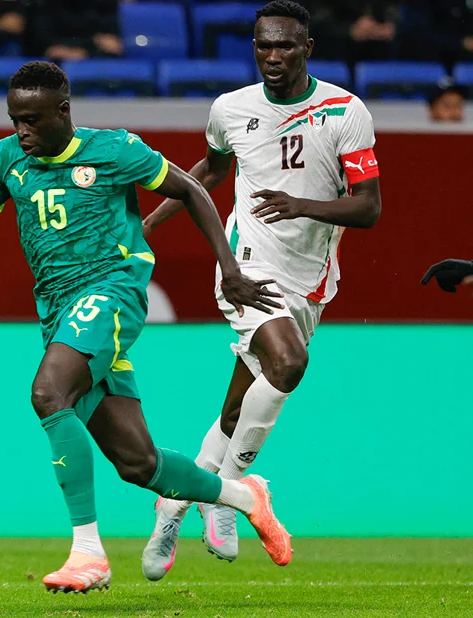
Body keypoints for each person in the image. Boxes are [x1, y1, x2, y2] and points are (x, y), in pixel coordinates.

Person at [0, 60, 292, 594]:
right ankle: (245, 497)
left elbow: (192, 189)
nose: (21, 130)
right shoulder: (5, 158)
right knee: (139, 464)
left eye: (32, 119)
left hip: (111, 292)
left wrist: (229, 269)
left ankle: (87, 552)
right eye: (14, 119)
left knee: (49, 393)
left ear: (63, 110)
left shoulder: (114, 150)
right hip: (58, 312)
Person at [142, 0, 381, 579]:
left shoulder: (344, 111)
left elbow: (368, 208)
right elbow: (208, 174)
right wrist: (145, 227)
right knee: (289, 362)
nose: (273, 55)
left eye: (285, 45)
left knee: (237, 408)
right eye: (263, 45)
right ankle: (230, 493)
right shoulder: (230, 109)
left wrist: (301, 205)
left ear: (307, 48)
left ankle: (173, 506)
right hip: (247, 264)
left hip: (312, 278)